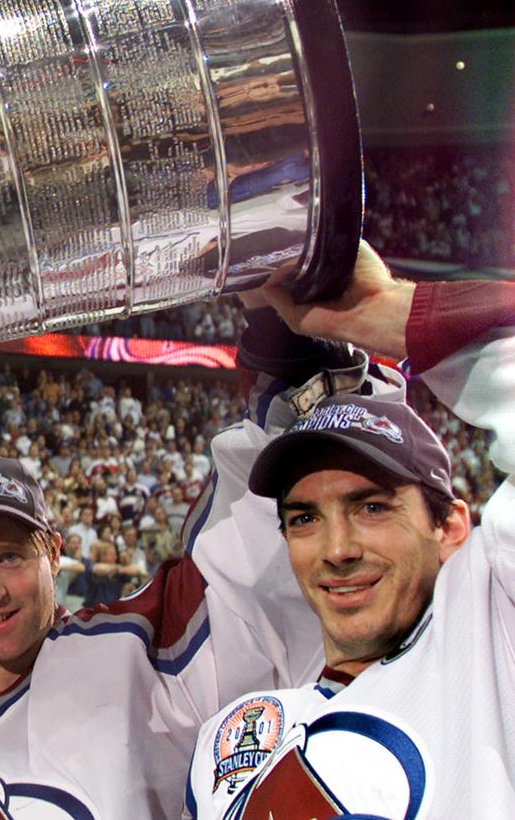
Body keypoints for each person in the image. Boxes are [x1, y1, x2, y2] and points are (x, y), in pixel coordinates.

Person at [0, 285, 403, 817]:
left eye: (10, 557)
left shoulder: (139, 650)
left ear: (53, 553)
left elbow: (252, 574)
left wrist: (298, 369)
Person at [185, 248, 515, 818]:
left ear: (452, 527)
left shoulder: (493, 636)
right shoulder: (232, 742)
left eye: (371, 508)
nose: (337, 551)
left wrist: (387, 311)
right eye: (305, 518)